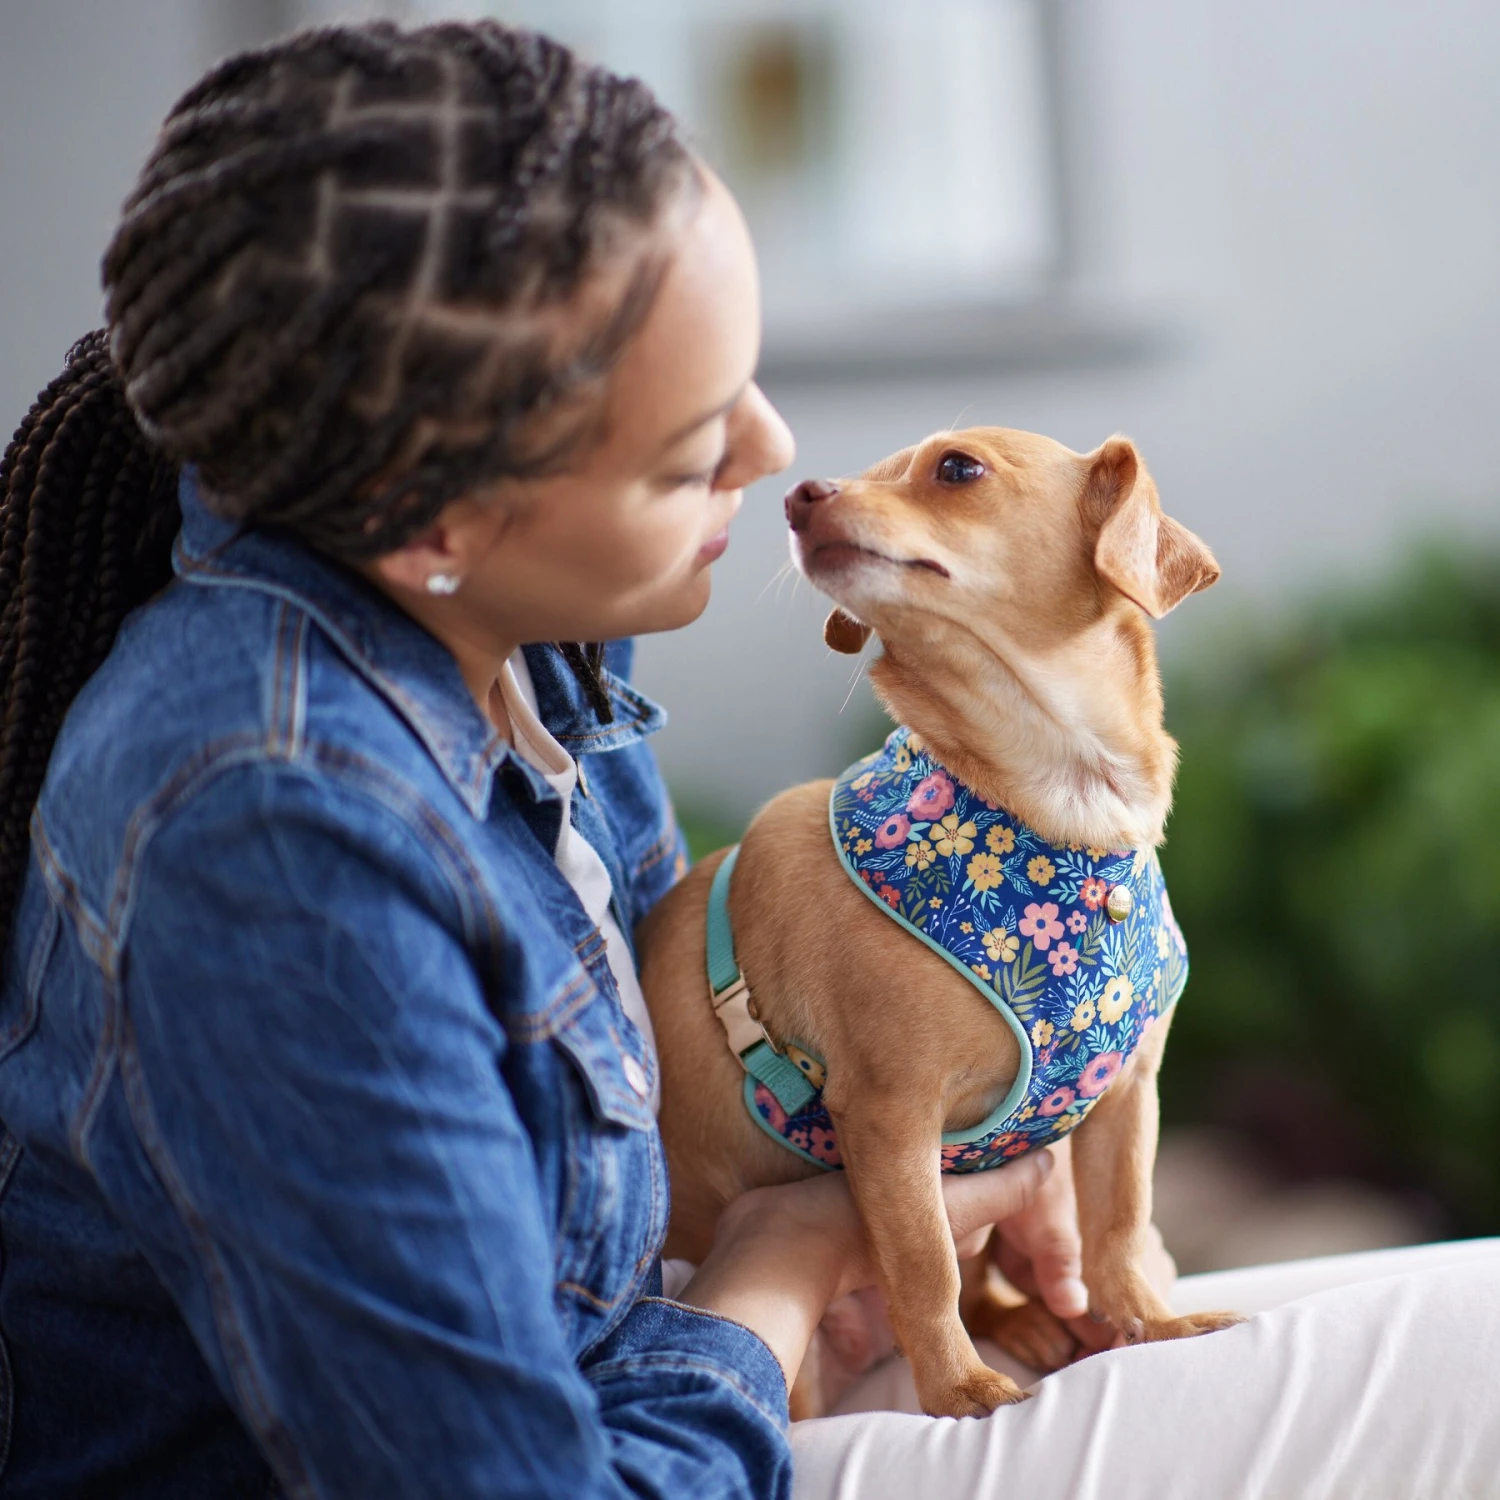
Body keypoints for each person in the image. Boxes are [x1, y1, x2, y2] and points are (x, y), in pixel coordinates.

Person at [0, 19, 1493, 1500]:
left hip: (712, 1365)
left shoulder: (518, 635)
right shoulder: (275, 837)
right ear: (432, 510)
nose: (775, 452)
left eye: (746, 381)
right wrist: (787, 1260)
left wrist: (941, 1202)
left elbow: (708, 1047)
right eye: (690, 442)